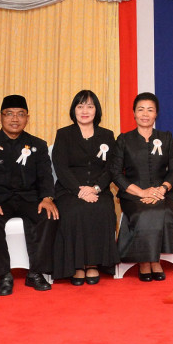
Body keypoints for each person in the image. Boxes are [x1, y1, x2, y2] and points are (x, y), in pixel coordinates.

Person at [0, 95, 58, 295]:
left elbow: (46, 175)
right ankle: (3, 275)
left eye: (20, 114)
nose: (15, 119)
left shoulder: (38, 145)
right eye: (9, 114)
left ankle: (35, 272)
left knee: (50, 216)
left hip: (29, 199)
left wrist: (47, 198)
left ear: (27, 118)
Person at [109, 92, 173, 281]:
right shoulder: (123, 140)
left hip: (161, 193)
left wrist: (162, 189)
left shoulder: (166, 138)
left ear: (156, 113)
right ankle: (144, 262)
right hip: (133, 194)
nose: (145, 114)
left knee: (160, 211)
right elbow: (115, 173)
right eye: (140, 109)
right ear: (134, 113)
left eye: (150, 110)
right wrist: (141, 192)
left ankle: (154, 260)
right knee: (143, 212)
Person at [51, 90, 119, 285]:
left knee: (101, 209)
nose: (84, 111)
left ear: (96, 110)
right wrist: (79, 190)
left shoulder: (107, 135)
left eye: (89, 106)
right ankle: (77, 265)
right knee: (74, 211)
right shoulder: (64, 134)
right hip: (69, 189)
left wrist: (96, 188)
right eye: (80, 106)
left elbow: (111, 168)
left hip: (99, 189)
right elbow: (60, 167)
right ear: (74, 110)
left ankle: (93, 264)